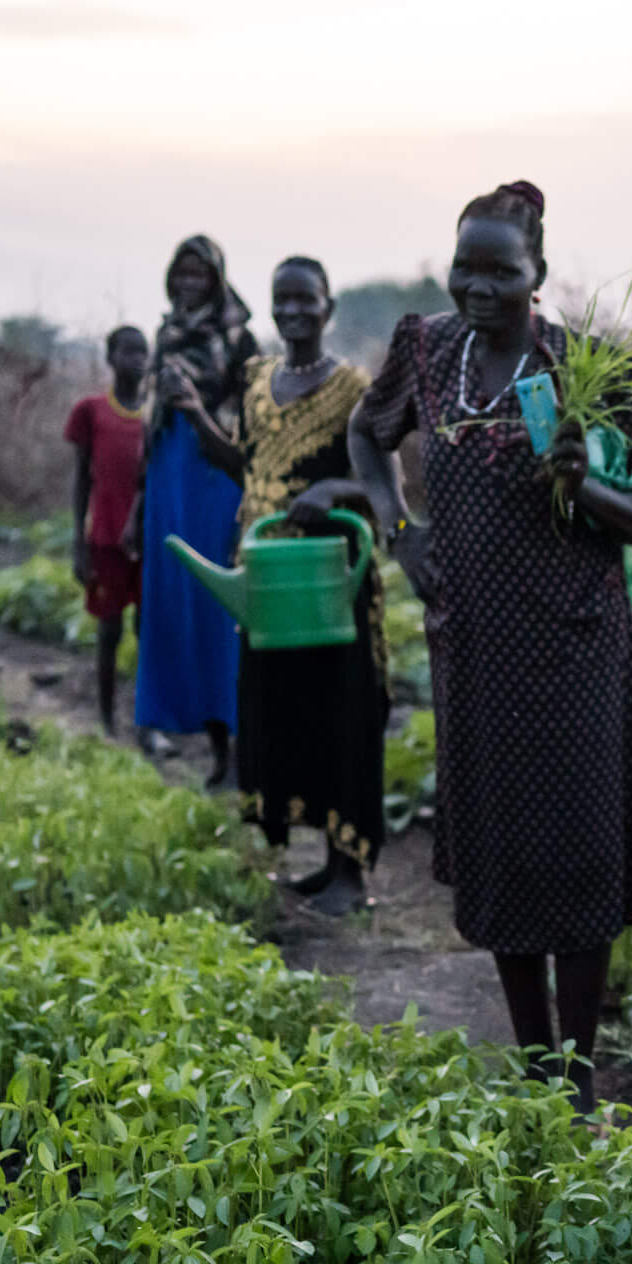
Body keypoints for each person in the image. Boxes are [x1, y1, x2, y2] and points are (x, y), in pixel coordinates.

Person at [348, 180, 632, 1111]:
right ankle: (534, 1065)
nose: (480, 285)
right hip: (474, 648)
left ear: (541, 275)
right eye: (467, 265)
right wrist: (396, 528)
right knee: (500, 853)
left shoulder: (589, 370)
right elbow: (365, 435)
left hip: (576, 650)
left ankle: (575, 1077)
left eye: (503, 269)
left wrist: (587, 489)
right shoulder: (427, 350)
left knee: (577, 857)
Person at [169, 256, 382, 916]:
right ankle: (293, 860)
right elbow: (245, 465)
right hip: (265, 574)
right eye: (280, 301)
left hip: (327, 578)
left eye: (305, 300)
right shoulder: (259, 380)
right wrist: (198, 416)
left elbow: (380, 483)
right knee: (275, 710)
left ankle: (348, 872)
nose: (292, 312)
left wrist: (334, 488)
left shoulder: (354, 387)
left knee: (341, 712)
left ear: (329, 306)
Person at [129, 235, 256, 785]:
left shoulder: (238, 336)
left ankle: (231, 752)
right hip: (166, 472)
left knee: (217, 603)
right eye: (180, 273)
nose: (188, 284)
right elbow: (151, 414)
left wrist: (200, 409)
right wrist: (140, 498)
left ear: (217, 279)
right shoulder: (165, 332)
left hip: (213, 471)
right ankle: (172, 723)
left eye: (198, 275)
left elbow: (251, 416)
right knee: (170, 597)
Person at [65, 326, 151, 735]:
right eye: (127, 352)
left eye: (142, 353)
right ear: (111, 358)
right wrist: (78, 543)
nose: (136, 360)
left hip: (150, 541)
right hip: (104, 538)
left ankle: (148, 719)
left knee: (147, 630)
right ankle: (106, 719)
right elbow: (82, 479)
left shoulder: (158, 415)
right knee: (109, 630)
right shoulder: (91, 411)